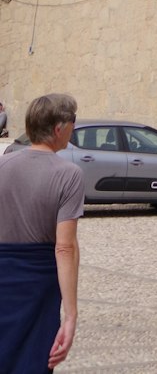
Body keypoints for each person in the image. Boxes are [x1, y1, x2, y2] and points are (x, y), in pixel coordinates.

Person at [0, 92, 84, 372]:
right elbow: (65, 247)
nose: (74, 126)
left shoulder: (2, 166)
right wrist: (71, 315)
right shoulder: (68, 174)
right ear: (59, 128)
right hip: (39, 282)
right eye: (73, 120)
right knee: (34, 360)